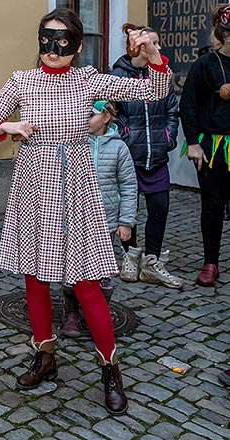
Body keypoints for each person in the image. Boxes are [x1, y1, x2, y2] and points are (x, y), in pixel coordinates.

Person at [0, 7, 171, 415]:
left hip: (76, 185)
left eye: (62, 40)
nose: (52, 48)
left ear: (78, 46)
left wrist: (152, 52)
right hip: (34, 185)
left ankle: (110, 369)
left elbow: (152, 91)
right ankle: (45, 358)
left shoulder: (87, 79)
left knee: (86, 282)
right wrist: (7, 128)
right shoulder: (21, 82)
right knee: (35, 278)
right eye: (46, 38)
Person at [111, 27, 182, 289]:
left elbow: (172, 111)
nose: (158, 49)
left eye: (158, 43)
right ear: (140, 47)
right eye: (153, 44)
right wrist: (125, 138)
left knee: (160, 207)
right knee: (127, 211)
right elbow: (113, 114)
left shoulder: (162, 75)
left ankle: (151, 260)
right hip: (130, 158)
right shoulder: (118, 75)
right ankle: (130, 255)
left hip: (157, 158)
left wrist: (168, 138)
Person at [61, 101, 135, 337]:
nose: (84, 119)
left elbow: (128, 186)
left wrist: (126, 221)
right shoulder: (72, 144)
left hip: (106, 222)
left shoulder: (119, 149)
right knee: (71, 268)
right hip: (74, 220)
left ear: (106, 117)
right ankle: (70, 311)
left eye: (90, 115)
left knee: (101, 271)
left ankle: (97, 313)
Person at [180, 3, 230, 287]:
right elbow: (188, 105)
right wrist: (193, 144)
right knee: (212, 205)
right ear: (221, 35)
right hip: (213, 145)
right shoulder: (205, 64)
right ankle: (211, 262)